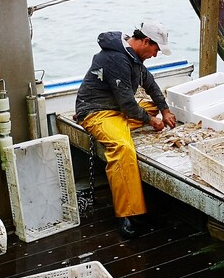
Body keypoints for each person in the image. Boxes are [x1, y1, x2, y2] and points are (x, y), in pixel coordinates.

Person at [75, 22, 177, 238]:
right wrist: (151, 121)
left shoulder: (134, 57)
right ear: (146, 42)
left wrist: (165, 110)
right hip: (97, 112)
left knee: (151, 107)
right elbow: (129, 105)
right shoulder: (116, 58)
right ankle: (127, 215)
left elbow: (150, 85)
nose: (155, 55)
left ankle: (132, 123)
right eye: (156, 50)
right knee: (123, 148)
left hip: (118, 109)